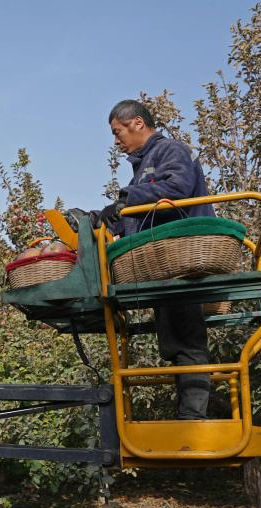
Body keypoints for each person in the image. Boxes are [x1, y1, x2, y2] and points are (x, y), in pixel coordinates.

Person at [99, 100, 214, 420]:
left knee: (187, 337)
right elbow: (137, 217)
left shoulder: (171, 150)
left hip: (183, 256)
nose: (116, 140)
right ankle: (188, 412)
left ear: (137, 123)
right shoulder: (142, 169)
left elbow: (177, 189)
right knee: (174, 340)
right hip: (162, 264)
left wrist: (127, 199)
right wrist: (106, 218)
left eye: (117, 132)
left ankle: (193, 416)